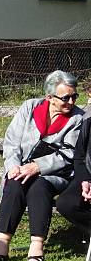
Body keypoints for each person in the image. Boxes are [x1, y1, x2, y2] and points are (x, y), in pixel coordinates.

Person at [0, 70, 83, 261]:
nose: (71, 102)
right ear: (49, 97)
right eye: (66, 97)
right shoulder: (29, 107)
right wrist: (13, 167)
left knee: (39, 186)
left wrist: (37, 167)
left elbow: (69, 155)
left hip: (57, 174)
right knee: (14, 182)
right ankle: (1, 246)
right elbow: (12, 142)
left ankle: (36, 246)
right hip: (22, 168)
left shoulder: (78, 118)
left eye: (75, 96)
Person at [55, 102, 91, 240]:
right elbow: (80, 156)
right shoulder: (88, 118)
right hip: (88, 173)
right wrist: (86, 181)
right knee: (66, 204)